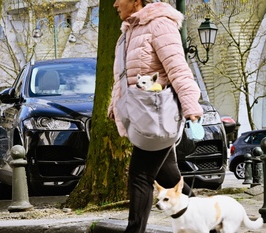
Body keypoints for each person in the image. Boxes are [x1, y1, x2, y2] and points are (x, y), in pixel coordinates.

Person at [108, 1, 205, 233]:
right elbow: (123, 76)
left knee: (140, 175)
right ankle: (208, 221)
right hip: (142, 116)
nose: (114, 4)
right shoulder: (126, 34)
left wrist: (191, 105)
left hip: (159, 118)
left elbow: (178, 69)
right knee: (170, 178)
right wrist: (115, 105)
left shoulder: (160, 25)